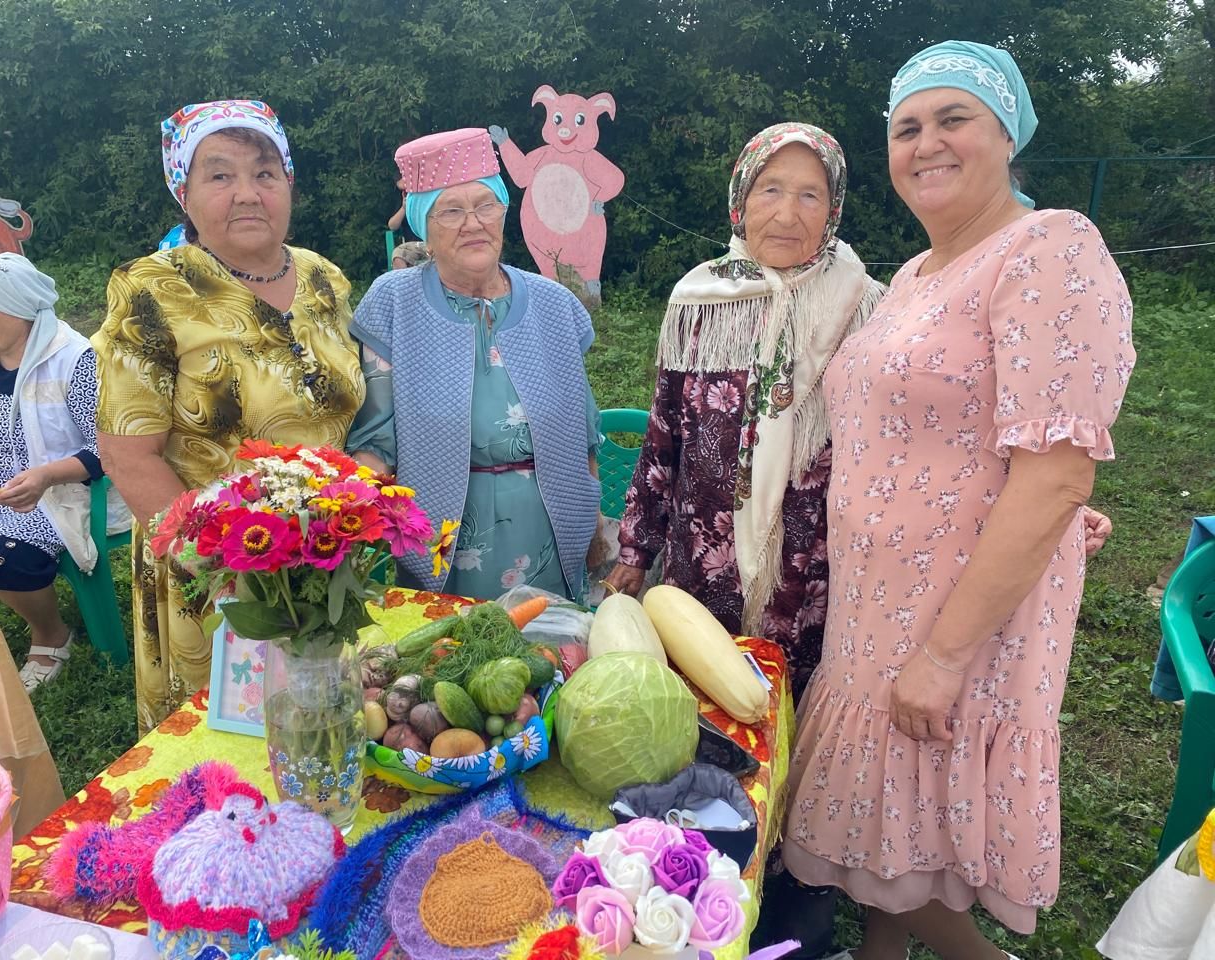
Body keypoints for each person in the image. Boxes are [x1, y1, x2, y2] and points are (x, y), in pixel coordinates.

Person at [780, 42, 1136, 960]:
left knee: (869, 833)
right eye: (906, 128)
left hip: (955, 617)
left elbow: (1056, 471)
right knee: (891, 832)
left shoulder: (1049, 248)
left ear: (1006, 132)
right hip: (878, 604)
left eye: (953, 120)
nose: (926, 144)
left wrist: (945, 654)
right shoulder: (914, 276)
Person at [93, 99, 363, 733]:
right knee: (230, 750)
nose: (247, 193)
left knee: (327, 723)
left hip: (327, 555)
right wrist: (234, 579)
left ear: (289, 185)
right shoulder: (152, 290)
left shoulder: (327, 280)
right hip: (212, 570)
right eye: (220, 175)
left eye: (265, 173)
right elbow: (129, 455)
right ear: (183, 192)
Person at [607, 122, 886, 704]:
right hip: (703, 558)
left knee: (792, 714)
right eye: (770, 190)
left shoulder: (869, 309)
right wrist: (636, 551)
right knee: (699, 703)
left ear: (833, 207)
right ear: (740, 200)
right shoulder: (700, 301)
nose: (788, 213)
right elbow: (663, 440)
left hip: (811, 568)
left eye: (810, 194)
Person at [348, 127, 601, 601]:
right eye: (451, 210)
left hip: (549, 526)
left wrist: (592, 528)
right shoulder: (394, 303)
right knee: (455, 658)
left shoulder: (553, 303)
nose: (473, 223)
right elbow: (374, 440)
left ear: (504, 212)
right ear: (424, 223)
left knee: (553, 656)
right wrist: (342, 524)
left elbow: (584, 433)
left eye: (486, 205)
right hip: (443, 533)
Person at [0, 253, 124, 690]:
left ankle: (51, 635)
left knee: (3, 553)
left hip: (61, 492)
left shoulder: (75, 361)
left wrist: (43, 478)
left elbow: (107, 451)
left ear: (15, 309)